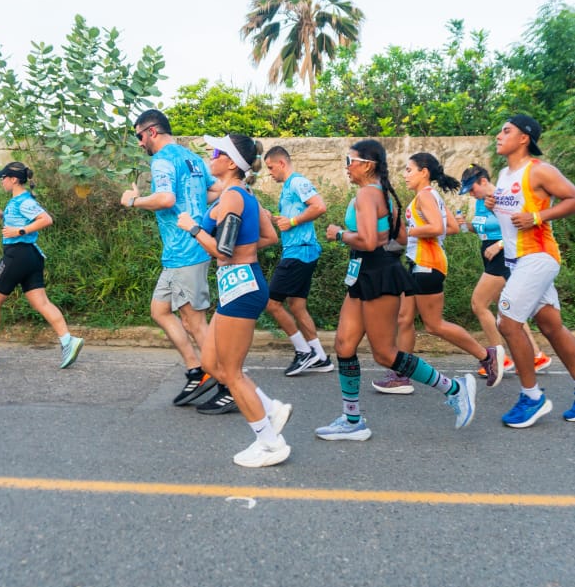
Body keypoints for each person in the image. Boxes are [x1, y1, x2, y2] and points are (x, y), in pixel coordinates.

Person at [316, 140, 477, 441]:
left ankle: (454, 389)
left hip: (377, 275)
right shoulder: (383, 194)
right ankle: (352, 421)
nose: (346, 168)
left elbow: (365, 241)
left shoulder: (367, 194)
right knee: (344, 345)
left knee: (385, 354)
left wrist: (338, 233)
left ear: (367, 164)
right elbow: (399, 239)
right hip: (364, 273)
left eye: (348, 161)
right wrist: (373, 238)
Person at [178, 134, 292, 467]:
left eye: (216, 152)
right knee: (213, 365)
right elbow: (270, 237)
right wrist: (244, 250)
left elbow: (223, 252)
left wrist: (193, 229)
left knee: (232, 371)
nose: (210, 156)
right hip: (237, 286)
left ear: (230, 163)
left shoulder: (231, 198)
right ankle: (271, 408)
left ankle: (269, 443)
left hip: (242, 288)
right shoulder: (245, 195)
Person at [372, 152, 503, 394]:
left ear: (424, 172)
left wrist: (404, 232)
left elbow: (438, 227)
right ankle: (401, 374)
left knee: (434, 325)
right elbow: (452, 227)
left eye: (409, 170)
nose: (405, 175)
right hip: (419, 263)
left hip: (427, 264)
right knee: (404, 318)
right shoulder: (430, 196)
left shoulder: (424, 196)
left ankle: (487, 355)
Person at [120, 109, 219, 407]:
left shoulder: (162, 159)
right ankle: (196, 369)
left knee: (194, 322)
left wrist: (133, 201)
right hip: (183, 251)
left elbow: (165, 199)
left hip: (184, 250)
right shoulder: (191, 157)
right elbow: (215, 189)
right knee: (160, 310)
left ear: (152, 132)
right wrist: (197, 204)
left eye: (139, 136)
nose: (139, 143)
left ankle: (227, 381)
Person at [486, 114, 575, 427]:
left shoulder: (539, 170)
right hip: (516, 261)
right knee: (551, 327)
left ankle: (532, 397)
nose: (499, 135)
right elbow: (510, 212)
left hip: (537, 256)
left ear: (524, 138)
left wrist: (538, 217)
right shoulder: (502, 173)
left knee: (508, 323)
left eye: (506, 130)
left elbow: (572, 197)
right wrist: (492, 204)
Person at [458, 163, 550, 377]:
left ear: (483, 181)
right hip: (489, 256)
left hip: (503, 256)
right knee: (506, 309)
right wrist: (466, 225)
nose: (471, 195)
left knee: (478, 303)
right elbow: (483, 228)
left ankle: (499, 360)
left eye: (473, 189)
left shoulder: (504, 196)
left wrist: (498, 245)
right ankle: (537, 356)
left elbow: (520, 227)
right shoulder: (483, 203)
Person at [0, 162, 83, 368]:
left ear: (14, 179)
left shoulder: (23, 200)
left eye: (3, 177)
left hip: (18, 255)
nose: (1, 181)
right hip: (31, 256)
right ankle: (69, 342)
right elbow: (23, 218)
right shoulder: (20, 201)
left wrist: (19, 231)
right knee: (42, 303)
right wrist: (3, 217)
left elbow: (46, 219)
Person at [263, 146, 333, 376]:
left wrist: (291, 222)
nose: (270, 173)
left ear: (282, 163)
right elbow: (292, 219)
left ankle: (304, 352)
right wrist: (276, 219)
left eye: (271, 168)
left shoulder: (297, 182)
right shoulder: (288, 186)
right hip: (300, 251)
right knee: (296, 305)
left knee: (271, 303)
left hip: (299, 252)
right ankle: (320, 357)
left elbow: (319, 206)